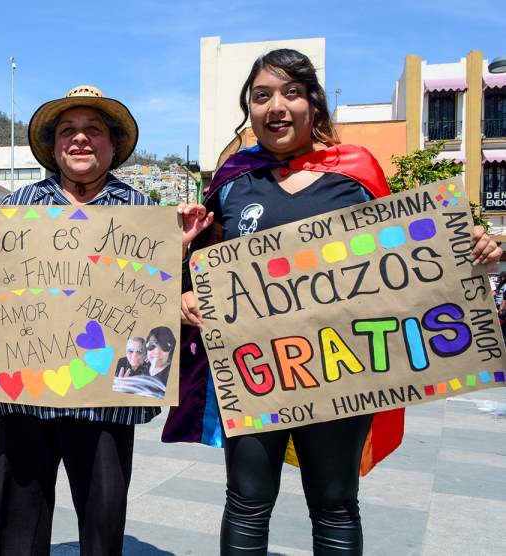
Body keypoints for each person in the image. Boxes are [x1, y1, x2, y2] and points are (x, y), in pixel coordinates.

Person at [164, 49, 503, 556]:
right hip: (253, 370)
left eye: (291, 93)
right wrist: (187, 288)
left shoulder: (355, 173)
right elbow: (199, 265)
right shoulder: (232, 180)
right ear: (249, 109)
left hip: (340, 368)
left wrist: (468, 246)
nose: (276, 107)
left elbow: (411, 260)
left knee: (335, 505)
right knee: (246, 503)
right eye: (261, 96)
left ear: (314, 104)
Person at [0, 84, 207, 555]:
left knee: (103, 524)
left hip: (106, 402)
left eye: (93, 129)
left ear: (113, 145)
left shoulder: (146, 213)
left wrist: (180, 248)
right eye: (68, 130)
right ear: (53, 146)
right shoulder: (16, 203)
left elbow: (158, 296)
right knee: (17, 528)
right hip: (26, 399)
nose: (80, 138)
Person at [113, 329, 175, 399]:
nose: (134, 356)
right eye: (130, 351)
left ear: (145, 353)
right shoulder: (120, 362)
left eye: (139, 352)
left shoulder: (151, 367)